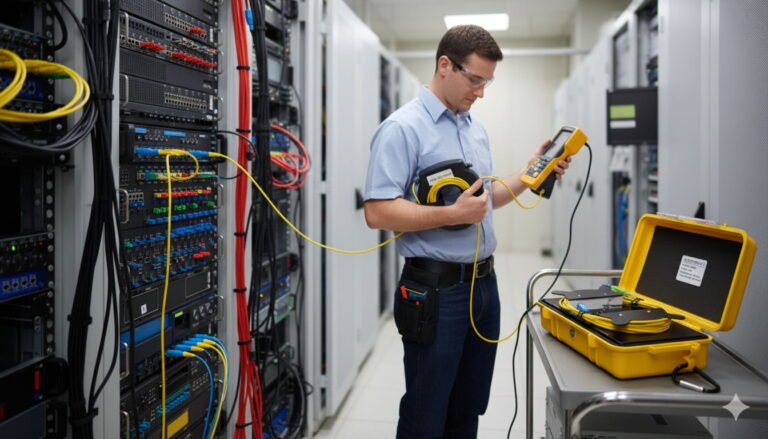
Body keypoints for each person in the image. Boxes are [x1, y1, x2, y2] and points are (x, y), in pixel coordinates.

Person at [363, 25, 570, 438]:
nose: (481, 92)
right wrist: (449, 214)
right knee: (426, 412)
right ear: (445, 65)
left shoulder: (473, 127)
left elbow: (483, 199)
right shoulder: (402, 128)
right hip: (435, 292)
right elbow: (377, 211)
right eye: (475, 79)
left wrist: (531, 175)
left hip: (483, 288)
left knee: (469, 407)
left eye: (487, 82)